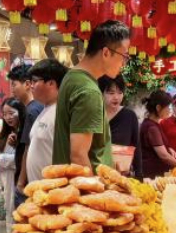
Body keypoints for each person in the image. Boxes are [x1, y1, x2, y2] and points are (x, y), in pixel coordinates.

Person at [53, 20, 131, 169]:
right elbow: (78, 156)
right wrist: (96, 190)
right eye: (124, 56)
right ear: (106, 53)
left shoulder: (72, 77)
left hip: (71, 185)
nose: (124, 63)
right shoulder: (88, 90)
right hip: (83, 190)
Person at [23, 59, 67, 184]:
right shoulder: (45, 109)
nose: (31, 85)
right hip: (38, 191)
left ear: (51, 83)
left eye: (35, 81)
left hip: (52, 191)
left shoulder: (61, 113)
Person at [9, 63, 43, 202]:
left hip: (28, 182)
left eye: (14, 84)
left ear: (27, 84)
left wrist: (20, 182)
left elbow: (29, 149)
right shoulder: (36, 108)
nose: (12, 90)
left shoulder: (31, 111)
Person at [100, 75, 142, 178]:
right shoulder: (94, 115)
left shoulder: (129, 116)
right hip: (98, 175)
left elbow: (136, 147)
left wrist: (139, 176)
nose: (116, 97)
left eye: (120, 92)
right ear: (100, 93)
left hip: (122, 176)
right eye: (111, 93)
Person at [0, 97, 25, 223]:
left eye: (11, 113)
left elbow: (19, 160)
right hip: (2, 182)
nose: (8, 117)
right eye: (5, 114)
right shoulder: (3, 135)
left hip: (15, 181)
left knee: (14, 220)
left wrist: (1, 159)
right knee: (3, 222)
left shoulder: (23, 133)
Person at [139, 90, 176, 179]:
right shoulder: (152, 127)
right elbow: (164, 156)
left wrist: (169, 148)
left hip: (153, 173)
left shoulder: (152, 124)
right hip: (152, 175)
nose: (169, 110)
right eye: (168, 107)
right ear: (158, 108)